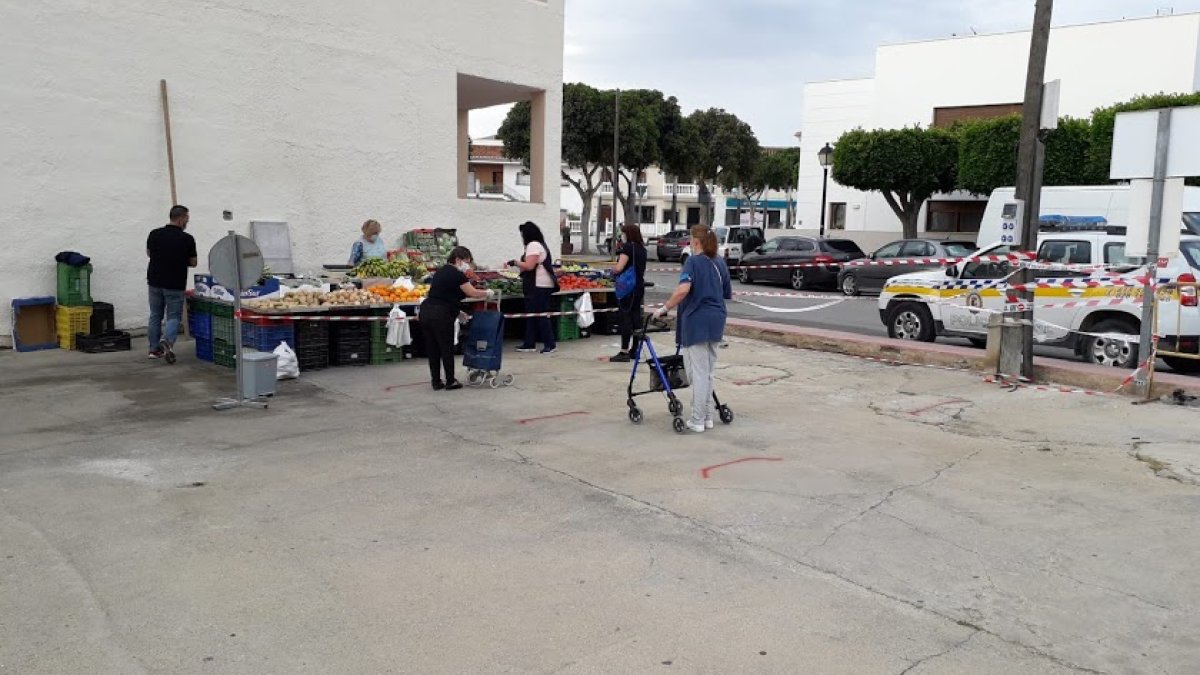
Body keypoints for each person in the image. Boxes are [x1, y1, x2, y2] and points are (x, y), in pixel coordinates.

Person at [654, 225, 732, 433]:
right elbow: (725, 291)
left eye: (690, 239)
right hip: (716, 320)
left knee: (697, 372)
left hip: (696, 320)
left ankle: (697, 420)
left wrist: (663, 308)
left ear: (695, 242)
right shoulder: (719, 262)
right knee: (708, 371)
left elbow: (683, 290)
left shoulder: (693, 262)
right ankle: (707, 417)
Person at [422, 247, 493, 390]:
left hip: (426, 312)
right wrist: (487, 293)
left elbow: (443, 295)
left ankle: (436, 381)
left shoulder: (440, 272)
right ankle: (450, 381)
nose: (467, 266)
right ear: (458, 260)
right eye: (466, 262)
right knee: (446, 347)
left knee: (433, 348)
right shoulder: (457, 274)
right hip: (440, 315)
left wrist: (458, 312)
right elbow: (472, 293)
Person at [146, 205, 198, 360]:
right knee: (173, 316)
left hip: (154, 282)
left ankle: (154, 350)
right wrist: (180, 259)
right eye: (187, 218)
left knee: (155, 315)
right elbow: (193, 262)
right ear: (181, 219)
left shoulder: (154, 234)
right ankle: (167, 342)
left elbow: (149, 253)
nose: (187, 221)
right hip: (175, 284)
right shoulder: (187, 239)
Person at [506, 221, 558, 354]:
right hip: (540, 284)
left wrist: (515, 262)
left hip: (539, 285)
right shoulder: (540, 244)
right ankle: (529, 343)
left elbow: (529, 265)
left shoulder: (533, 245)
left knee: (540, 314)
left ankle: (549, 344)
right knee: (531, 314)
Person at [609, 223, 647, 362]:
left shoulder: (628, 248)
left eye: (623, 233)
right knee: (636, 318)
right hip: (638, 287)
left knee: (625, 318)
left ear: (628, 234)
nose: (622, 236)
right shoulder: (642, 249)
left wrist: (611, 272)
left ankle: (624, 351)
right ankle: (635, 350)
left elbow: (619, 267)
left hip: (627, 288)